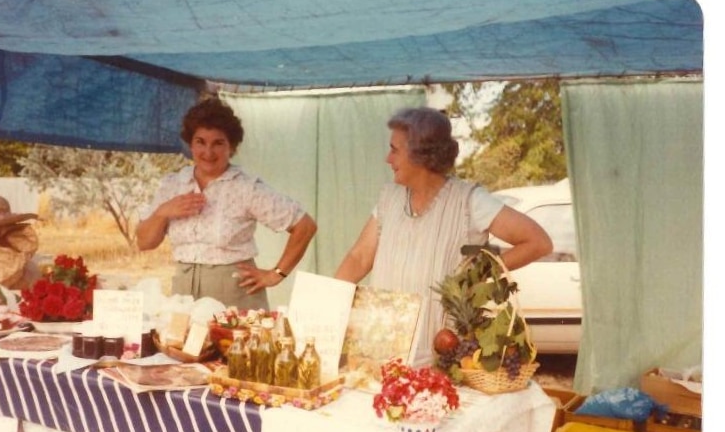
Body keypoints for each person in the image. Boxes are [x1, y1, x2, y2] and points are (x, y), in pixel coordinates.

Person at [335, 107, 553, 367]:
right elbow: (359, 258)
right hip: (383, 347)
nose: (387, 159)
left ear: (421, 154)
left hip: (439, 348)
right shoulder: (388, 198)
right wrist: (326, 302)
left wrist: (478, 278)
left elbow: (538, 242)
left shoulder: (469, 200)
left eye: (394, 150)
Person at [137, 97, 317, 310]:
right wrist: (162, 212)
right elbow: (144, 243)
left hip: (235, 296)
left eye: (218, 143)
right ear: (190, 144)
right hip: (183, 295)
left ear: (231, 147)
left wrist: (276, 274)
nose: (208, 152)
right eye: (200, 142)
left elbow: (305, 226)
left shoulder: (246, 188)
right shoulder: (173, 185)